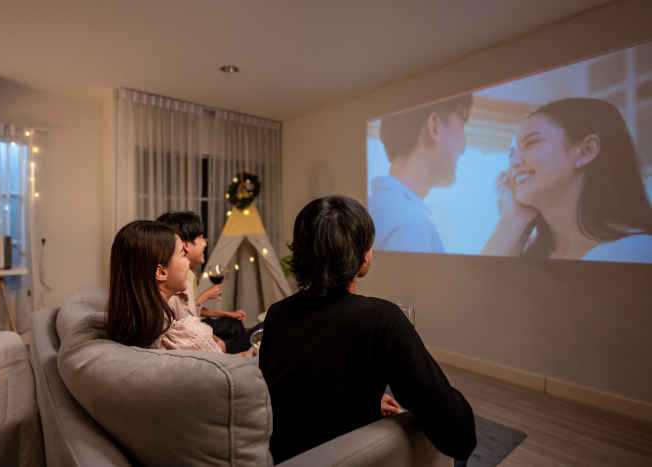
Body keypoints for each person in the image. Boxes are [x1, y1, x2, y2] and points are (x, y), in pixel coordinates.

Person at [259, 196, 476, 465]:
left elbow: (300, 395)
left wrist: (369, 400)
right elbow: (457, 433)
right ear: (362, 258)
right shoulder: (382, 319)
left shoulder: (277, 314)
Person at [483, 98, 652, 263]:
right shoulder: (526, 252)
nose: (514, 162)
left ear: (587, 150)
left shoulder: (637, 252)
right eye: (511, 154)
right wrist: (514, 219)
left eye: (531, 143)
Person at [105, 220, 255, 357]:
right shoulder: (184, 336)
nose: (187, 263)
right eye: (183, 254)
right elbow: (223, 368)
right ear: (161, 272)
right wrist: (247, 357)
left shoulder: (130, 323)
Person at [369, 94, 473, 253]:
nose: (464, 147)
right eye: (462, 124)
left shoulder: (375, 207)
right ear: (435, 126)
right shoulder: (411, 223)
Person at [157, 211, 262, 353]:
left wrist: (225, 315)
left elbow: (189, 316)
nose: (205, 243)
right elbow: (188, 319)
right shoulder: (178, 282)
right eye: (200, 237)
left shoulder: (183, 280)